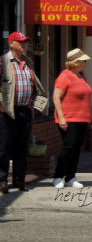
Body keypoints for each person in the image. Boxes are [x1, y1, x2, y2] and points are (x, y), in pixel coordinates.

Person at [0, 31, 45, 193]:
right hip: (7, 111)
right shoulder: (3, 62)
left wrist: (34, 102)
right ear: (11, 44)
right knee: (4, 147)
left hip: (25, 110)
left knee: (21, 147)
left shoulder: (28, 61)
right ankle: (2, 180)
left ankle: (19, 181)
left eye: (25, 42)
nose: (24, 45)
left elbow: (33, 84)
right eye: (20, 42)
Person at [52, 48, 92, 189]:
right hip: (68, 118)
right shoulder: (65, 76)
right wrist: (61, 118)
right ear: (75, 62)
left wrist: (90, 114)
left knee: (76, 148)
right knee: (68, 147)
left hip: (82, 118)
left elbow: (86, 97)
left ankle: (71, 177)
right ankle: (58, 176)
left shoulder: (82, 76)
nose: (86, 63)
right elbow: (56, 97)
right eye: (83, 61)